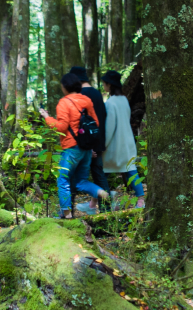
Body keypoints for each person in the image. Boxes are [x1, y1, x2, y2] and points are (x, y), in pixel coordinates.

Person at [44, 71, 109, 218]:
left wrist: (47, 118)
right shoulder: (86, 100)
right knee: (81, 181)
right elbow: (95, 124)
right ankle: (99, 191)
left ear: (65, 87)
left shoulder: (64, 102)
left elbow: (61, 127)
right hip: (86, 149)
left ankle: (66, 214)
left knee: (63, 179)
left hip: (71, 148)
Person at [99, 70, 143, 204]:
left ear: (109, 85)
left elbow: (109, 127)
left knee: (102, 172)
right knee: (131, 170)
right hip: (128, 142)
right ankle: (141, 200)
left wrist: (102, 145)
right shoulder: (124, 99)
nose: (104, 86)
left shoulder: (110, 103)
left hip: (115, 145)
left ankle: (99, 201)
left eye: (104, 83)